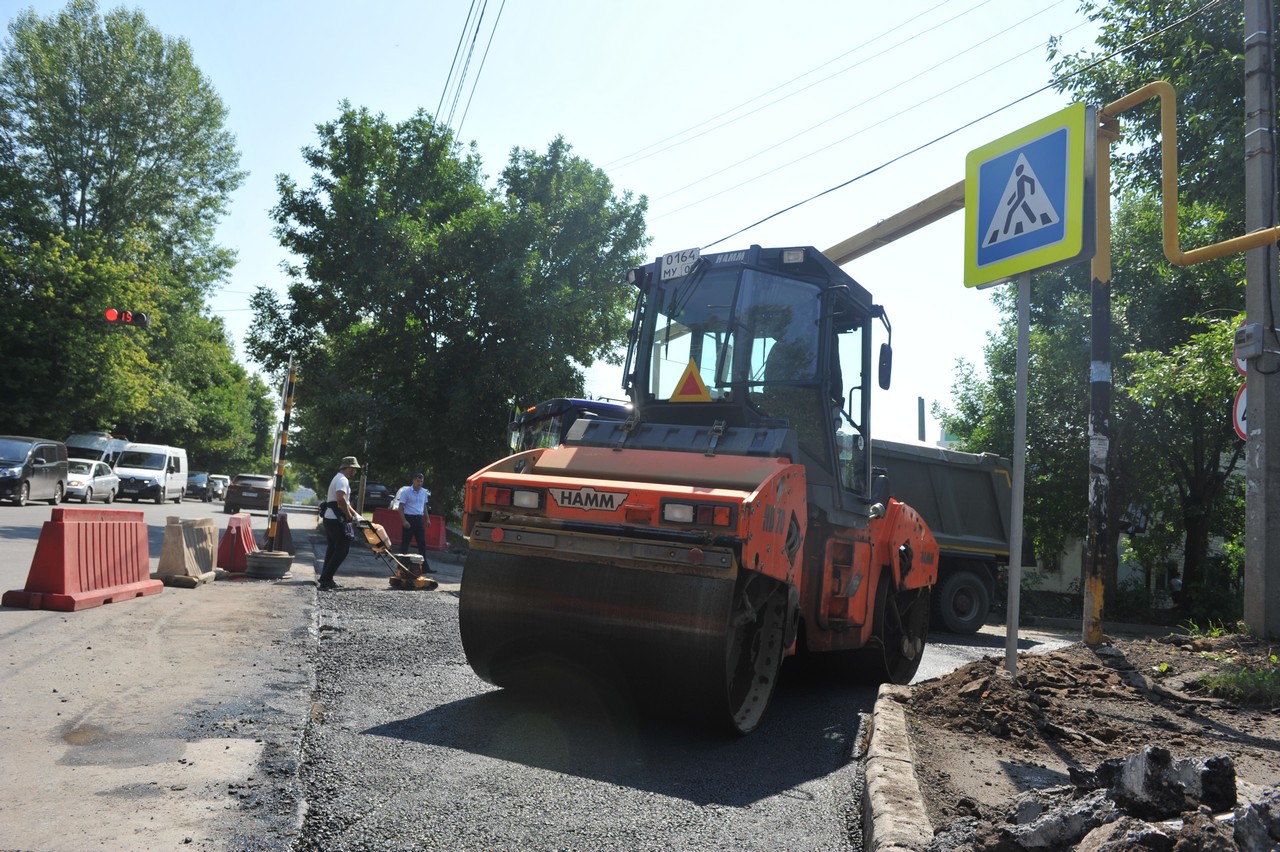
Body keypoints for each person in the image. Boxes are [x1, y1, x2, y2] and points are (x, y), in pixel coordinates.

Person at [318, 456, 361, 591]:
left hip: (330, 517)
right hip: (335, 519)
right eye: (354, 468)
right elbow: (341, 500)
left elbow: (345, 502)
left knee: (333, 548)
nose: (355, 471)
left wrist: (356, 515)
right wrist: (348, 516)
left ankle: (326, 577)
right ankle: (326, 578)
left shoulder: (338, 478)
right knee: (342, 549)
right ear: (349, 467)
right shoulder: (342, 480)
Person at [395, 472, 432, 570]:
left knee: (422, 543)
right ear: (413, 480)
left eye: (421, 481)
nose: (419, 483)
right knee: (405, 543)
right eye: (417, 481)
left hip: (419, 519)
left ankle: (424, 567)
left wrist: (427, 519)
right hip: (409, 518)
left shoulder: (424, 492)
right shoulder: (406, 492)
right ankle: (400, 565)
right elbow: (400, 508)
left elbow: (424, 506)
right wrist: (404, 521)